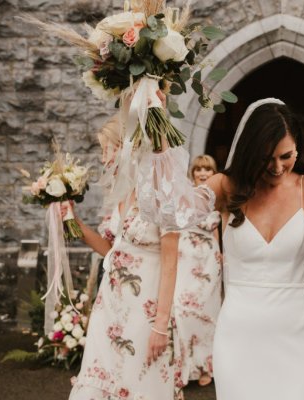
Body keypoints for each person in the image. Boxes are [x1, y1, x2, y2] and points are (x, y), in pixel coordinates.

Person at [138, 98, 304, 400]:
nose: (276, 167)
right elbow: (168, 212)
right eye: (265, 158)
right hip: (240, 333)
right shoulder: (226, 186)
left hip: (297, 333)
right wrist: (159, 144)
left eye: (285, 156)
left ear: (297, 147)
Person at [69, 116, 184, 400]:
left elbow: (170, 263)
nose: (103, 158)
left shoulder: (162, 193)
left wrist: (160, 325)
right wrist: (73, 221)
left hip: (143, 315)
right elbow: (113, 251)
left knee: (139, 387)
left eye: (106, 149)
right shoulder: (123, 194)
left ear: (128, 148)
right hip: (109, 308)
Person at [174, 154, 222, 388]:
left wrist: (222, 254)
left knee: (207, 312)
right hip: (185, 257)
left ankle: (205, 365)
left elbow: (218, 231)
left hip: (209, 261)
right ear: (192, 173)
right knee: (182, 310)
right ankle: (184, 366)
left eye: (208, 170)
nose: (203, 174)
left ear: (214, 173)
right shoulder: (184, 196)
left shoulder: (218, 198)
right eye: (199, 170)